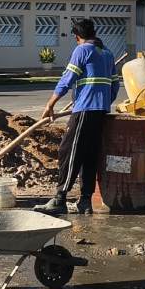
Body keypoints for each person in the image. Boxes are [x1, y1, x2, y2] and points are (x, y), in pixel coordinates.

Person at [40, 19, 119, 215]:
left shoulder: (82, 50)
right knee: (89, 156)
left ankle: (60, 197)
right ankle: (85, 201)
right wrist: (103, 101)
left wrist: (50, 104)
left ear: (77, 37)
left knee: (69, 151)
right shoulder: (107, 54)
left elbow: (67, 79)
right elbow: (115, 85)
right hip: (101, 112)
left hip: (84, 111)